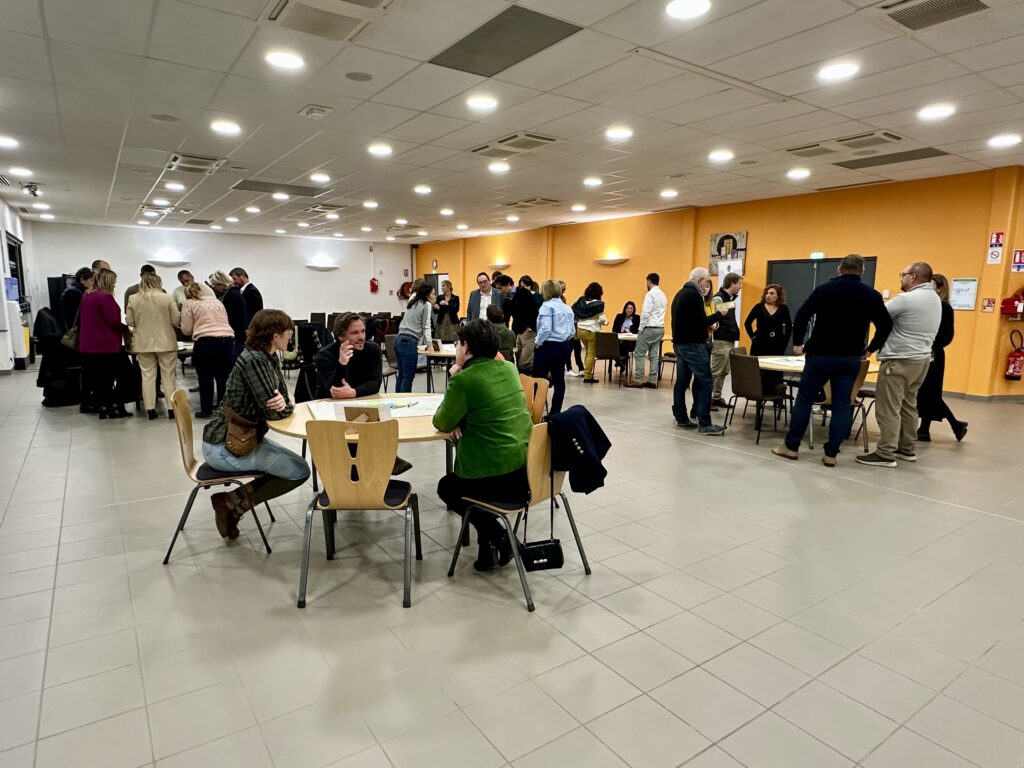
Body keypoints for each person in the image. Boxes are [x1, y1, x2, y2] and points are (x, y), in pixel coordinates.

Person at [772, 254, 892, 466]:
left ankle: (791, 447)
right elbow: (885, 325)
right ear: (862, 271)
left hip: (820, 355)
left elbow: (801, 315)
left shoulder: (824, 290)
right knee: (842, 404)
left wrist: (798, 342)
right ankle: (831, 454)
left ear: (839, 269)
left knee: (805, 400)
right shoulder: (871, 295)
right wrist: (870, 349)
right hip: (850, 358)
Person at [202, 310, 310, 539]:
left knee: (295, 466)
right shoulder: (255, 361)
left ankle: (231, 502)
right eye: (288, 332)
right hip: (225, 445)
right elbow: (275, 411)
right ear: (274, 335)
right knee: (299, 471)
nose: (290, 336)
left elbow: (282, 393)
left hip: (242, 438)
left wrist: (286, 399)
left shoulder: (265, 356)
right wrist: (287, 403)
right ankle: (232, 504)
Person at [434, 320, 532, 572]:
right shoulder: (510, 369)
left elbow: (441, 421)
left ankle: (500, 536)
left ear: (466, 348)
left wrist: (457, 375)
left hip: (493, 479)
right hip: (526, 473)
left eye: (458, 343)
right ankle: (487, 551)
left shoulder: (464, 380)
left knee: (447, 487)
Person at [858, 261, 942, 467]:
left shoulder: (906, 299)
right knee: (908, 405)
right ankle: (907, 449)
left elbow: (876, 315)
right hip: (921, 361)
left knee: (888, 407)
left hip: (899, 360)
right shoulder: (934, 298)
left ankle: (886, 452)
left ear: (912, 277)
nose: (901, 279)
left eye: (903, 274)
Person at [671, 268, 729, 435]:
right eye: (707, 281)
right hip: (693, 345)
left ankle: (681, 417)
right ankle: (704, 422)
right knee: (705, 381)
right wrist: (719, 314)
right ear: (700, 281)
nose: (707, 285)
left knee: (682, 382)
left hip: (680, 344)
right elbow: (701, 322)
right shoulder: (694, 295)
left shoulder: (680, 294)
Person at [917, 274, 967, 443]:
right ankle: (951, 425)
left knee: (930, 392)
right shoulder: (924, 306)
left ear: (939, 288)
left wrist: (928, 343)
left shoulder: (945, 308)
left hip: (934, 354)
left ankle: (927, 428)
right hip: (919, 352)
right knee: (926, 392)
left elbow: (947, 335)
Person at [126, 272, 180, 420]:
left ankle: (150, 409)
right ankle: (171, 409)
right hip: (166, 342)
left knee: (147, 376)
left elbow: (130, 322)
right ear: (158, 282)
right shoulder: (167, 297)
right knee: (168, 376)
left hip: (143, 343)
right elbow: (176, 320)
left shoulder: (133, 298)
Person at [79, 268, 131, 419]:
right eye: (113, 282)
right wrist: (127, 329)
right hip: (106, 345)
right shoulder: (105, 297)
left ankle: (103, 406)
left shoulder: (87, 295)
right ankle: (115, 407)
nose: (115, 285)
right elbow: (113, 321)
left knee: (100, 380)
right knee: (124, 375)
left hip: (88, 345)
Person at [180, 283, 235, 418]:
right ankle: (223, 408)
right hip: (228, 340)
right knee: (223, 377)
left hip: (206, 342)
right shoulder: (217, 302)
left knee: (206, 377)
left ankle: (206, 409)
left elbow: (186, 329)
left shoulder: (190, 303)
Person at [314, 312, 382, 399]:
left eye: (363, 331)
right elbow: (335, 390)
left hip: (361, 399)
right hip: (329, 403)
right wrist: (342, 363)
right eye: (355, 333)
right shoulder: (324, 355)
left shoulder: (373, 350)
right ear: (341, 336)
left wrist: (354, 392)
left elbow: (375, 383)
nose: (361, 337)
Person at [534, 279, 575, 414]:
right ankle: (555, 412)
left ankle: (536, 411)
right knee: (559, 380)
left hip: (547, 346)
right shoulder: (567, 307)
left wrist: (538, 341)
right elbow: (572, 331)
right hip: (563, 346)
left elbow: (545, 328)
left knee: (539, 380)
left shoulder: (546, 306)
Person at [744, 283, 792, 393]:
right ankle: (759, 395)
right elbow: (747, 323)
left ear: (778, 296)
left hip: (777, 344)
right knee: (760, 370)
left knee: (776, 369)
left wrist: (785, 341)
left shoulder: (783, 309)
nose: (768, 295)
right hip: (760, 344)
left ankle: (777, 398)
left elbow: (789, 327)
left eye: (771, 293)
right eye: (767, 293)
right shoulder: (758, 307)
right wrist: (753, 337)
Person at [627, 273, 668, 389]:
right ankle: (652, 380)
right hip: (660, 328)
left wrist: (640, 329)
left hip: (649, 328)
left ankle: (638, 380)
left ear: (649, 281)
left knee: (639, 353)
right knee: (654, 355)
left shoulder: (650, 294)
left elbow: (645, 313)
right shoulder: (663, 295)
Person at [710, 272, 743, 408]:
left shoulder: (728, 298)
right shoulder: (719, 299)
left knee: (724, 371)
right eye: (739, 284)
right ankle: (706, 399)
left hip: (729, 339)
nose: (740, 287)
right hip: (721, 340)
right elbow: (716, 317)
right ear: (732, 283)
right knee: (715, 372)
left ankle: (716, 397)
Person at [394, 283, 435, 392]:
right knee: (408, 377)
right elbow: (426, 326)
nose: (435, 296)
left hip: (398, 339)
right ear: (427, 295)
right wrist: (429, 344)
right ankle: (404, 402)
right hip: (409, 341)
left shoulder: (413, 300)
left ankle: (398, 401)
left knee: (402, 375)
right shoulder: (426, 304)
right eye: (433, 294)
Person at [572, 282, 607, 384]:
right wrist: (605, 321)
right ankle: (588, 376)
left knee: (587, 352)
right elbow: (601, 318)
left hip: (579, 330)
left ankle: (587, 372)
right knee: (591, 354)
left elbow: (573, 311)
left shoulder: (581, 300)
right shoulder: (599, 304)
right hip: (591, 331)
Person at [209, 270, 248, 358]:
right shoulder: (235, 293)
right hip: (239, 334)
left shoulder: (230, 295)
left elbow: (227, 318)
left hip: (235, 336)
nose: (214, 288)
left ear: (221, 284)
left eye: (215, 285)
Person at [509, 275, 542, 371]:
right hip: (519, 330)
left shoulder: (537, 297)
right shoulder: (518, 296)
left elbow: (537, 313)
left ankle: (543, 373)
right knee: (519, 359)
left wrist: (532, 326)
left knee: (524, 363)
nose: (525, 288)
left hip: (530, 330)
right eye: (522, 286)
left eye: (526, 286)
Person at [60, 267, 93, 331]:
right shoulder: (74, 292)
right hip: (74, 330)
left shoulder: (75, 290)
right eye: (91, 280)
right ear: (82, 280)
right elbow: (75, 316)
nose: (93, 283)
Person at [612, 300, 638, 370]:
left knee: (624, 344)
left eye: (631, 309)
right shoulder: (619, 316)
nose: (629, 310)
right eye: (628, 308)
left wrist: (630, 331)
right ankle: (621, 361)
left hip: (631, 341)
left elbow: (637, 331)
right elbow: (614, 329)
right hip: (619, 340)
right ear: (625, 309)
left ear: (633, 310)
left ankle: (620, 361)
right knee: (617, 345)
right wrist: (621, 330)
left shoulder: (637, 318)